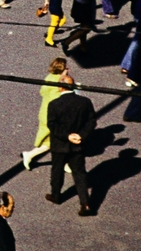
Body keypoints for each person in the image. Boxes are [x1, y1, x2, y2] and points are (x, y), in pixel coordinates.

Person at [44, 73, 96, 215]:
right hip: (78, 145)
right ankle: (85, 203)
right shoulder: (85, 102)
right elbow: (91, 121)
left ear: (60, 87)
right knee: (79, 173)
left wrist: (67, 136)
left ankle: (56, 195)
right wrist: (80, 135)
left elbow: (52, 126)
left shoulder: (54, 104)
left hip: (60, 144)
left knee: (57, 171)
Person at [23, 57, 71, 170]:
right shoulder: (60, 83)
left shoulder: (49, 78)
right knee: (56, 141)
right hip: (54, 117)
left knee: (54, 141)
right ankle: (30, 155)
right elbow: (61, 100)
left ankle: (64, 162)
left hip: (44, 113)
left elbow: (42, 92)